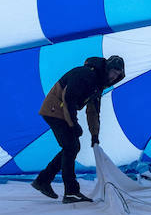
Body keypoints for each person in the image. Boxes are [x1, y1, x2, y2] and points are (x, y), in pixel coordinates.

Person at [31, 54, 125, 203]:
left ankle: (43, 180)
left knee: (71, 147)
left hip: (61, 111)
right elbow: (68, 99)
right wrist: (73, 124)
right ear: (107, 68)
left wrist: (95, 135)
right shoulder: (85, 74)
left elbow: (93, 112)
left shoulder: (98, 85)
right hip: (54, 109)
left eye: (118, 74)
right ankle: (71, 192)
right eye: (113, 72)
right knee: (72, 147)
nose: (114, 76)